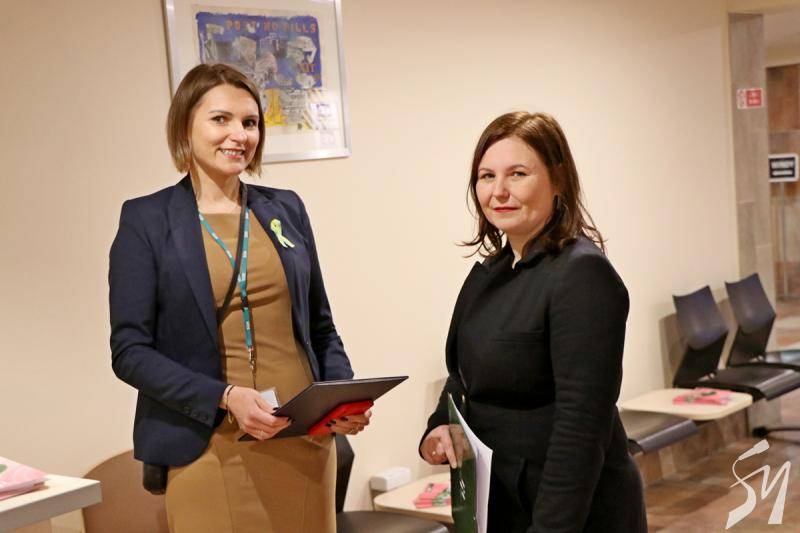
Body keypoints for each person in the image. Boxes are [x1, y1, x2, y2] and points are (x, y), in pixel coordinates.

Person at [109, 63, 369, 533]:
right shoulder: (146, 220)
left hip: (303, 442)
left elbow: (320, 325)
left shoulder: (285, 207)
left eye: (250, 122)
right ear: (185, 127)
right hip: (209, 446)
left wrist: (341, 397)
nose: (239, 135)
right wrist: (225, 397)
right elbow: (130, 352)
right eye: (220, 119)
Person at [419, 112, 647, 532]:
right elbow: (463, 377)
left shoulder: (582, 274)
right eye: (486, 176)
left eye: (518, 174)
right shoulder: (493, 270)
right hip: (501, 496)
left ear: (558, 180)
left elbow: (581, 426)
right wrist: (440, 427)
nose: (498, 191)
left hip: (566, 508)